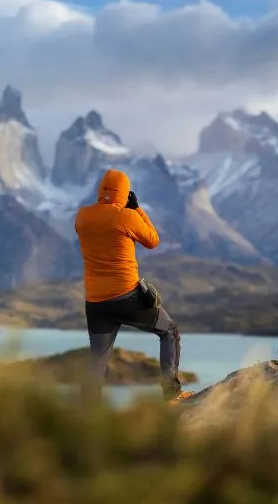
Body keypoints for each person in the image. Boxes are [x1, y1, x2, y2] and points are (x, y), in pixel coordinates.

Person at [74, 169, 192, 404]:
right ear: (125, 192)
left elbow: (98, 225)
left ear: (101, 190)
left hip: (96, 302)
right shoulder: (126, 217)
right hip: (128, 297)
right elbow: (153, 240)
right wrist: (136, 208)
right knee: (169, 332)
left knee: (97, 359)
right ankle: (172, 394)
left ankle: (88, 415)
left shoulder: (81, 217)